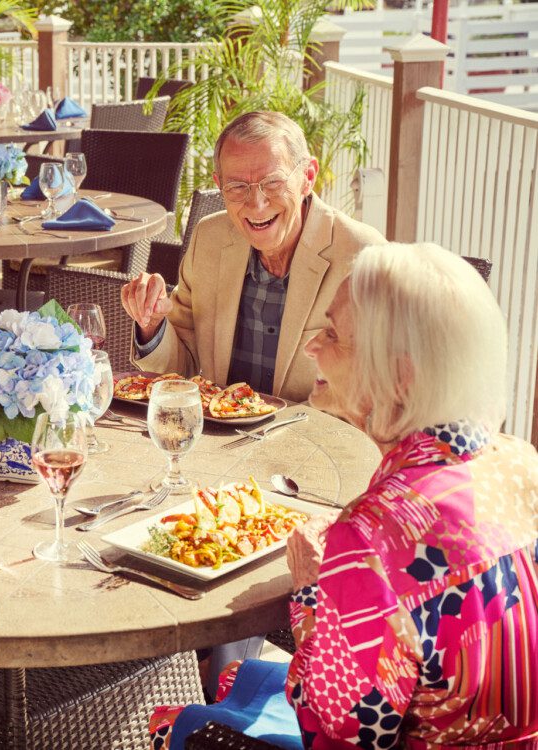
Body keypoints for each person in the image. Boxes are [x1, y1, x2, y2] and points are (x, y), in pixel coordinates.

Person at [150, 243, 538, 749]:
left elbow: (335, 731)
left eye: (332, 335)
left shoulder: (371, 536)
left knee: (173, 725)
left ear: (398, 376)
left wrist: (312, 590)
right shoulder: (522, 462)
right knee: (240, 677)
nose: (312, 346)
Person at [121, 111, 385, 402]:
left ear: (307, 177)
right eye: (237, 187)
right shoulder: (209, 238)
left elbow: (381, 390)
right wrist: (152, 323)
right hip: (218, 439)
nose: (256, 204)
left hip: (315, 442)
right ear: (219, 185)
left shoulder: (363, 256)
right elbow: (183, 370)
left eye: (273, 183)